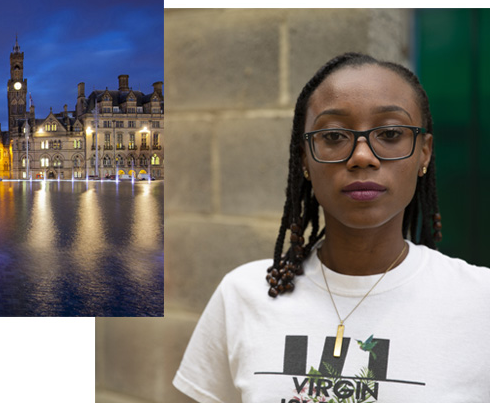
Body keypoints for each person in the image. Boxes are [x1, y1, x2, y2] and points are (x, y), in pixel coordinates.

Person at [173, 53, 490, 402]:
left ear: (424, 154)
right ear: (305, 158)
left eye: (390, 133)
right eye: (335, 136)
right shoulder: (242, 295)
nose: (362, 156)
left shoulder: (480, 302)